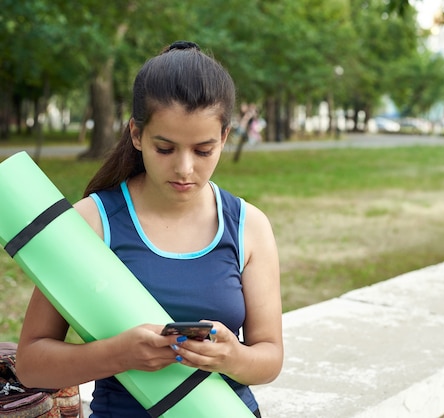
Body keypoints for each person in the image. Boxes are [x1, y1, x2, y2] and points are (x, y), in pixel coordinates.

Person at [15, 41, 283, 418]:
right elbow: (30, 364)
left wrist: (232, 356)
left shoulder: (248, 226)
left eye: (203, 150)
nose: (185, 168)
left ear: (224, 137)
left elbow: (269, 357)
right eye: (165, 148)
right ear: (137, 134)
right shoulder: (90, 222)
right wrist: (118, 354)